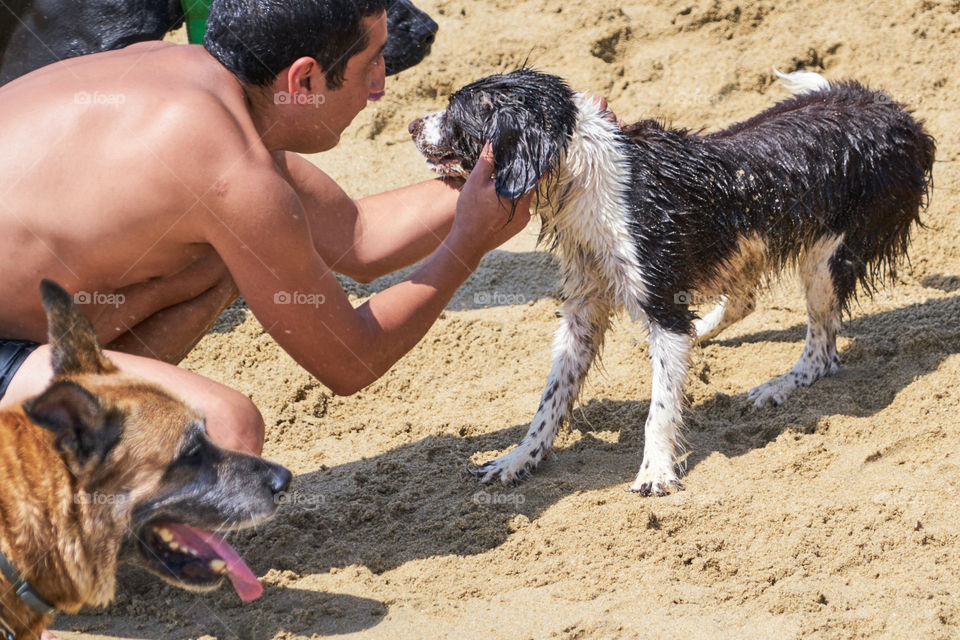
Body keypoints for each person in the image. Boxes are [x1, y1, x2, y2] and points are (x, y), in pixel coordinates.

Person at [0, 0, 532, 454]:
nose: (380, 86)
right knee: (226, 428)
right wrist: (468, 243)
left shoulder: (203, 84)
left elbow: (358, 235)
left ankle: (55, 448)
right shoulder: (227, 168)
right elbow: (350, 359)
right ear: (303, 79)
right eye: (372, 63)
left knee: (215, 261)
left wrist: (507, 166)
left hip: (16, 331)